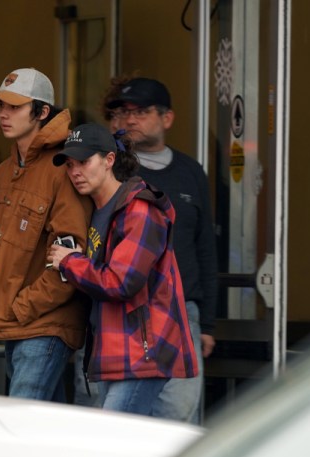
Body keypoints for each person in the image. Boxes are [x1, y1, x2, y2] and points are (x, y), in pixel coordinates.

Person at [48, 122, 198, 417]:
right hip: (116, 349)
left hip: (143, 352)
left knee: (111, 441)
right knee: (134, 445)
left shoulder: (139, 209)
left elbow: (121, 281)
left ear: (109, 160)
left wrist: (69, 261)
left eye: (84, 161)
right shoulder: (97, 211)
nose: (75, 171)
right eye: (69, 164)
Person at [0, 68, 92, 402]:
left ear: (41, 112)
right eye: (0, 106)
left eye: (14, 107)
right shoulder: (1, 174)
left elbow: (71, 257)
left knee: (21, 417)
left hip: (45, 323)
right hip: (16, 323)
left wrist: (21, 307)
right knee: (45, 426)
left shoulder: (64, 167)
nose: (3, 114)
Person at [107, 77, 218, 424]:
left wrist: (208, 322)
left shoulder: (191, 173)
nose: (130, 119)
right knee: (120, 417)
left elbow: (205, 248)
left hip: (182, 309)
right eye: (123, 112)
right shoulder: (110, 169)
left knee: (178, 412)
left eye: (140, 111)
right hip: (125, 307)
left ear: (166, 118)